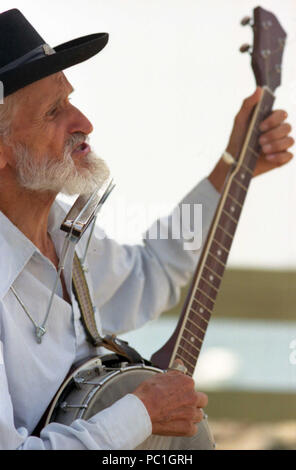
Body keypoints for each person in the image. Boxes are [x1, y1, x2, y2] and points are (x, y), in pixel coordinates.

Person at [0, 9, 293, 450]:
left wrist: (230, 170)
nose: (83, 122)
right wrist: (140, 414)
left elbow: (155, 269)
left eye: (71, 99)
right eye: (53, 111)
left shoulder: (68, 234)